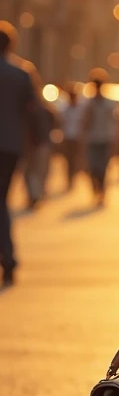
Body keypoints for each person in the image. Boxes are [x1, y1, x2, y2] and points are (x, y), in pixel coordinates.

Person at [0, 21, 39, 286]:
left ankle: (9, 258)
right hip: (10, 146)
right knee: (2, 200)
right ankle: (8, 258)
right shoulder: (21, 73)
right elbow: (34, 112)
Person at [81, 68, 118, 206]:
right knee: (92, 167)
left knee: (102, 168)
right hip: (92, 139)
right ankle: (95, 191)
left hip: (105, 139)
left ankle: (101, 192)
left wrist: (116, 142)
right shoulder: (89, 104)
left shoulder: (109, 104)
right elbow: (85, 123)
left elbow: (114, 123)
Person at [60, 83, 84, 190]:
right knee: (68, 160)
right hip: (68, 137)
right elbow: (61, 123)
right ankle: (69, 179)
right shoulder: (65, 108)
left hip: (77, 138)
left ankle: (74, 178)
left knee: (76, 159)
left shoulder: (80, 109)